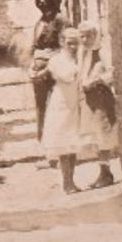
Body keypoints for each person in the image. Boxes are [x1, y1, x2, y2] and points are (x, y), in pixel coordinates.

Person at [41, 26, 86, 193]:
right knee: (63, 144)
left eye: (76, 43)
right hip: (61, 104)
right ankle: (66, 183)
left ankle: (71, 182)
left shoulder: (79, 59)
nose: (73, 47)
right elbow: (67, 76)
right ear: (62, 42)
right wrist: (78, 66)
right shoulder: (56, 61)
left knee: (73, 144)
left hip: (75, 103)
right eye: (70, 43)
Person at [78, 23, 118, 188]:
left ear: (95, 35)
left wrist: (96, 80)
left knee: (103, 135)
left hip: (101, 98)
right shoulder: (83, 53)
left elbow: (113, 72)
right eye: (82, 36)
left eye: (88, 36)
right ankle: (103, 172)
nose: (85, 39)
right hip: (89, 100)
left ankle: (106, 173)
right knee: (94, 136)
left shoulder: (102, 52)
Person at [28, 0, 66, 139]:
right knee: (41, 106)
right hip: (38, 72)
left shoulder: (61, 21)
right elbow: (34, 49)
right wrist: (32, 67)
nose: (42, 2)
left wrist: (49, 68)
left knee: (56, 106)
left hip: (54, 71)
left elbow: (65, 49)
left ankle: (57, 142)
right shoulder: (39, 22)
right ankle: (43, 141)